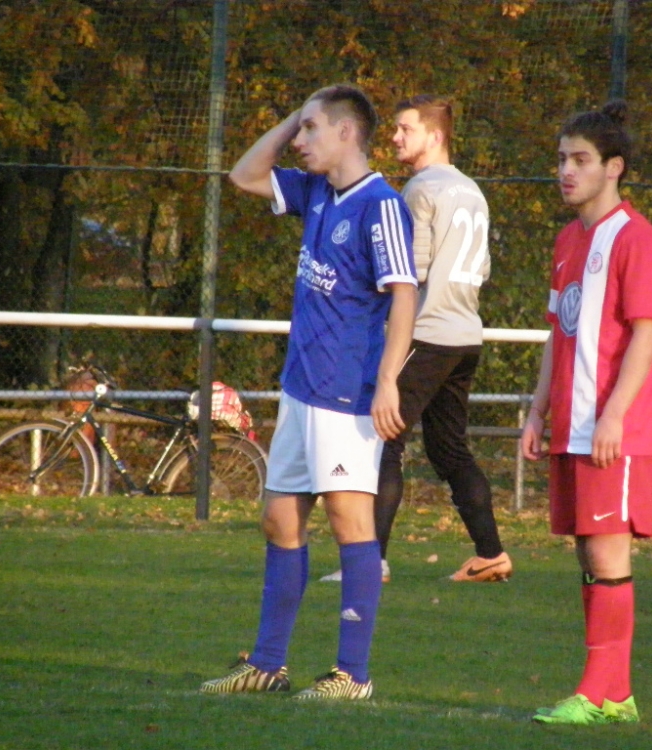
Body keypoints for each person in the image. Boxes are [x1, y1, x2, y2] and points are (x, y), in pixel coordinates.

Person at [200, 84, 418, 701]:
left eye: (312, 129)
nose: (300, 141)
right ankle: (268, 665)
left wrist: (387, 382)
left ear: (348, 133)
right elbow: (245, 175)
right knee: (279, 518)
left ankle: (353, 675)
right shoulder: (317, 189)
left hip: (348, 393)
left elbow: (404, 294)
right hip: (301, 387)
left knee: (351, 522)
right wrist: (297, 113)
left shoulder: (382, 206)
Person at [319, 95, 511, 585]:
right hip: (466, 335)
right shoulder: (473, 191)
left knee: (380, 442)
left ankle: (368, 564)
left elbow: (411, 270)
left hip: (426, 334)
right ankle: (490, 553)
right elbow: (483, 269)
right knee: (449, 451)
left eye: (406, 129)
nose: (396, 138)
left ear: (435, 135)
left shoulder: (420, 189)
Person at [520, 99, 652, 725]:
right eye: (561, 160)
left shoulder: (638, 240)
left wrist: (613, 415)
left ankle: (600, 691)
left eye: (580, 160)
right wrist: (534, 413)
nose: (566, 172)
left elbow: (646, 333)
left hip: (613, 429)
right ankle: (613, 694)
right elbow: (560, 333)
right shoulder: (566, 240)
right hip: (570, 426)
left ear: (615, 167)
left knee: (608, 555)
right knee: (588, 553)